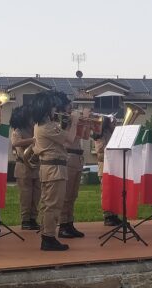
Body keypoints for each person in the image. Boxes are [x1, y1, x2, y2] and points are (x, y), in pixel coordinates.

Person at [32, 91, 79, 251]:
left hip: (51, 168)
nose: (55, 109)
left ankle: (48, 234)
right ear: (46, 109)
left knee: (48, 204)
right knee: (53, 205)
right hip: (54, 169)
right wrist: (75, 121)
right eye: (52, 107)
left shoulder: (43, 125)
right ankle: (49, 238)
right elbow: (70, 139)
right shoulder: (47, 127)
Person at [54, 92, 86, 239]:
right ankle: (62, 226)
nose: (71, 107)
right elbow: (68, 139)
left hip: (78, 156)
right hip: (69, 156)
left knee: (73, 195)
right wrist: (74, 121)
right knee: (66, 195)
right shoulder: (60, 120)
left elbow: (84, 136)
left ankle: (69, 223)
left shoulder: (71, 119)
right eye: (69, 105)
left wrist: (85, 122)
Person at [10, 105, 41, 230]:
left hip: (35, 165)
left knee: (36, 195)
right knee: (26, 195)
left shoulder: (35, 129)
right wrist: (33, 140)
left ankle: (33, 218)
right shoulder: (18, 130)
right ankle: (25, 220)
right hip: (23, 166)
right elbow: (15, 143)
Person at [91, 116, 122, 226]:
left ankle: (114, 214)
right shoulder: (99, 133)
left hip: (114, 164)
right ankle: (107, 215)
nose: (113, 122)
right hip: (104, 165)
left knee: (115, 191)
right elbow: (100, 149)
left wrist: (115, 130)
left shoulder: (111, 131)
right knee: (106, 191)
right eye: (111, 120)